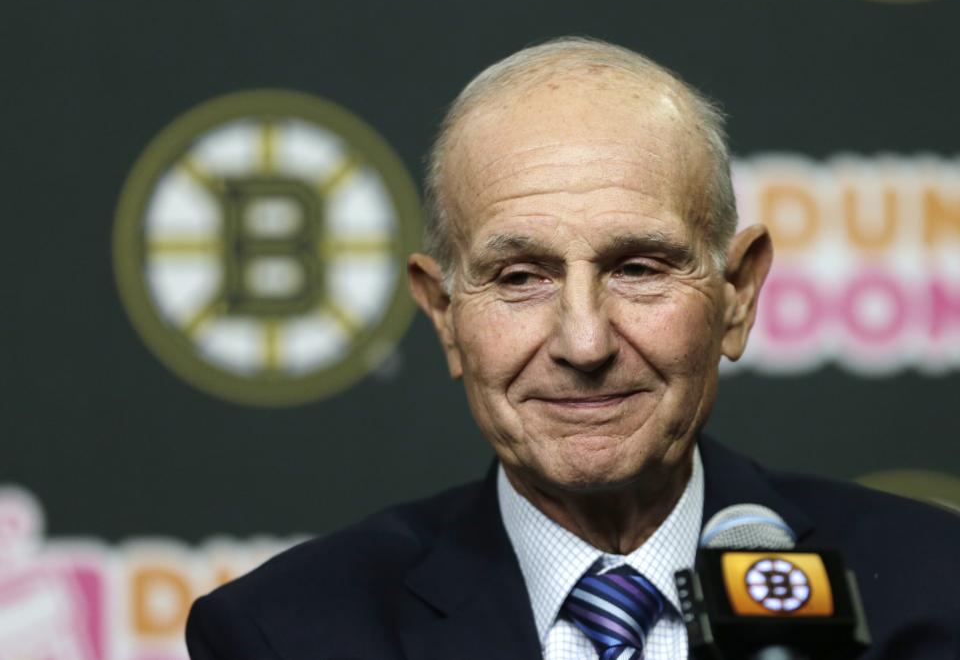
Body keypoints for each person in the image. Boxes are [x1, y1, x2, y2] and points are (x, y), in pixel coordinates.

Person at [185, 37, 960, 660]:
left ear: (737, 296)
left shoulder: (938, 592)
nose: (584, 342)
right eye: (520, 277)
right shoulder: (281, 636)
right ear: (444, 314)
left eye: (638, 269)